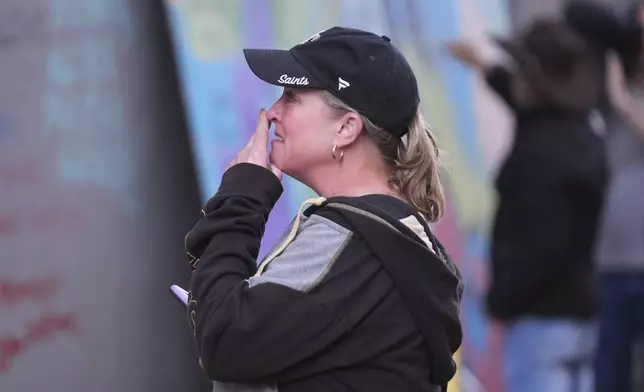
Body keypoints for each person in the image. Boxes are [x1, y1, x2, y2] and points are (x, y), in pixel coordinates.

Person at [183, 27, 464, 392]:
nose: (272, 113)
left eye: (291, 96)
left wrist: (242, 198)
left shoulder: (349, 239)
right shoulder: (396, 234)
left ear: (347, 128)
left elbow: (222, 340)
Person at [448, 19, 607, 392]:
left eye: (521, 68)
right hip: (577, 314)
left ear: (534, 82)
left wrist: (501, 303)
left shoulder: (541, 154)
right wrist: (484, 65)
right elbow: (524, 97)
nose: (514, 76)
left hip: (540, 321)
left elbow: (541, 247)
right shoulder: (579, 131)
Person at [565, 2, 644, 390]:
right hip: (609, 260)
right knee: (608, 371)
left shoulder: (621, 99)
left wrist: (623, 100)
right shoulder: (608, 91)